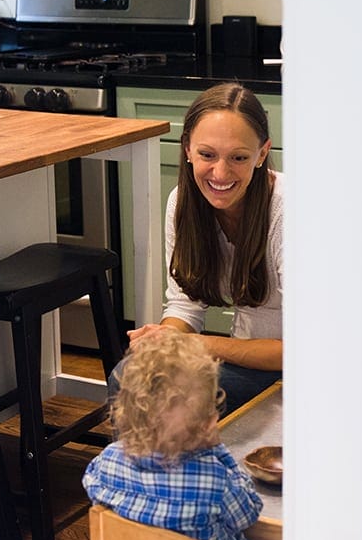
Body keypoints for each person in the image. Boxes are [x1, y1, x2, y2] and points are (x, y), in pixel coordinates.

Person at [83, 330, 282, 540]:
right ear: (207, 422)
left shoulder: (108, 463)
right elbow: (248, 511)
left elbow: (93, 488)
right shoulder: (213, 480)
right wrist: (217, 451)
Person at [114, 82, 283, 412]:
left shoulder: (290, 213)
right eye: (207, 154)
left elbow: (307, 349)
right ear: (187, 148)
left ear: (262, 153)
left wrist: (194, 344)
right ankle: (133, 467)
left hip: (303, 371)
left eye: (238, 157)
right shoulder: (181, 203)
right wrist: (162, 344)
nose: (221, 172)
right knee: (130, 377)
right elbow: (184, 306)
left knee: (177, 402)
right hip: (243, 357)